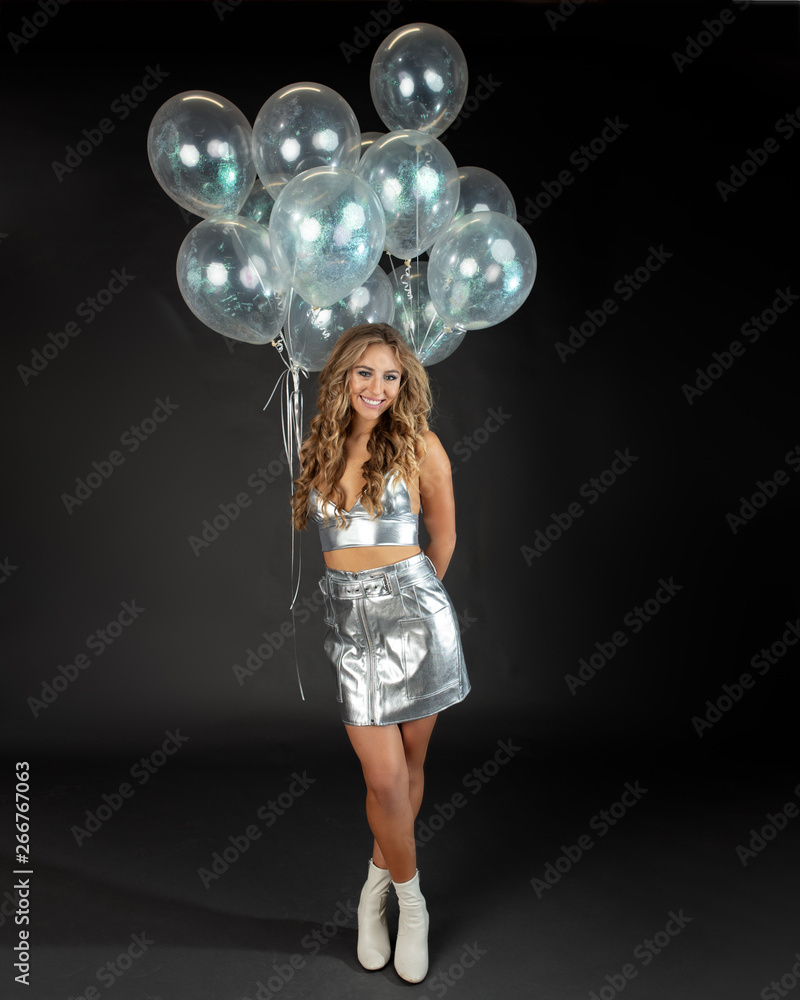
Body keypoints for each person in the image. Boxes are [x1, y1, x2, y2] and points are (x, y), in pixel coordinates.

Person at [291, 322, 470, 983]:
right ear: (343, 375)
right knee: (384, 779)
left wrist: (413, 605)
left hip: (416, 619)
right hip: (348, 624)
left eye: (390, 375)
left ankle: (384, 898)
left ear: (404, 383)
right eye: (365, 372)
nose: (377, 387)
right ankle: (404, 895)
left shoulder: (421, 445)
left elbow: (443, 539)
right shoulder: (319, 444)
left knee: (409, 769)